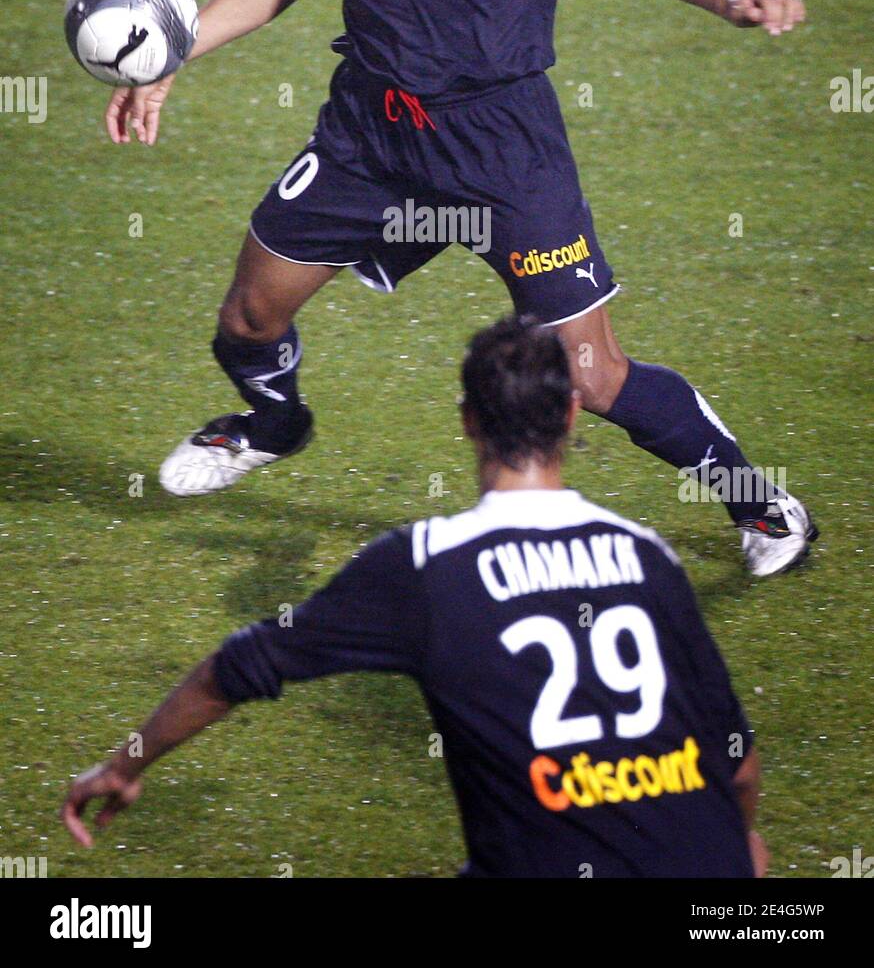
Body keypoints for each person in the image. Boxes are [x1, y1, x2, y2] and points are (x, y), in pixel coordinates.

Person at [106, 0, 815, 577]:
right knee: (248, 316)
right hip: (370, 129)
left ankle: (762, 507)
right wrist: (175, 52)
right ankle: (273, 424)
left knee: (592, 375)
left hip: (502, 141)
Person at [62, 316, 766, 878]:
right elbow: (737, 759)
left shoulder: (426, 567)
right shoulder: (650, 556)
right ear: (574, 415)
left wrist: (125, 765)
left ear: (466, 419)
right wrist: (743, 847)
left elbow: (240, 667)